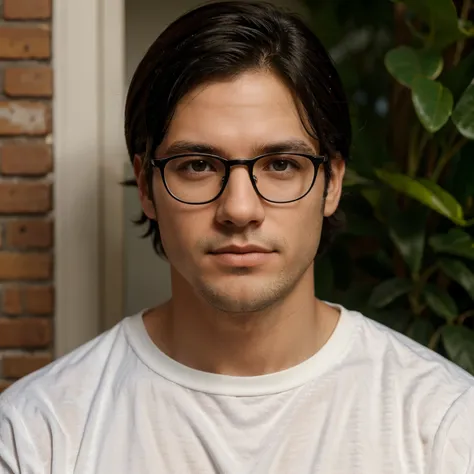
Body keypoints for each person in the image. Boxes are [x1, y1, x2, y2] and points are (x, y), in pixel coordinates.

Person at [1, 1, 473, 473]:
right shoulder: (37, 435)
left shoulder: (446, 425)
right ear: (146, 186)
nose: (240, 210)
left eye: (281, 165)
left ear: (332, 183)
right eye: (199, 166)